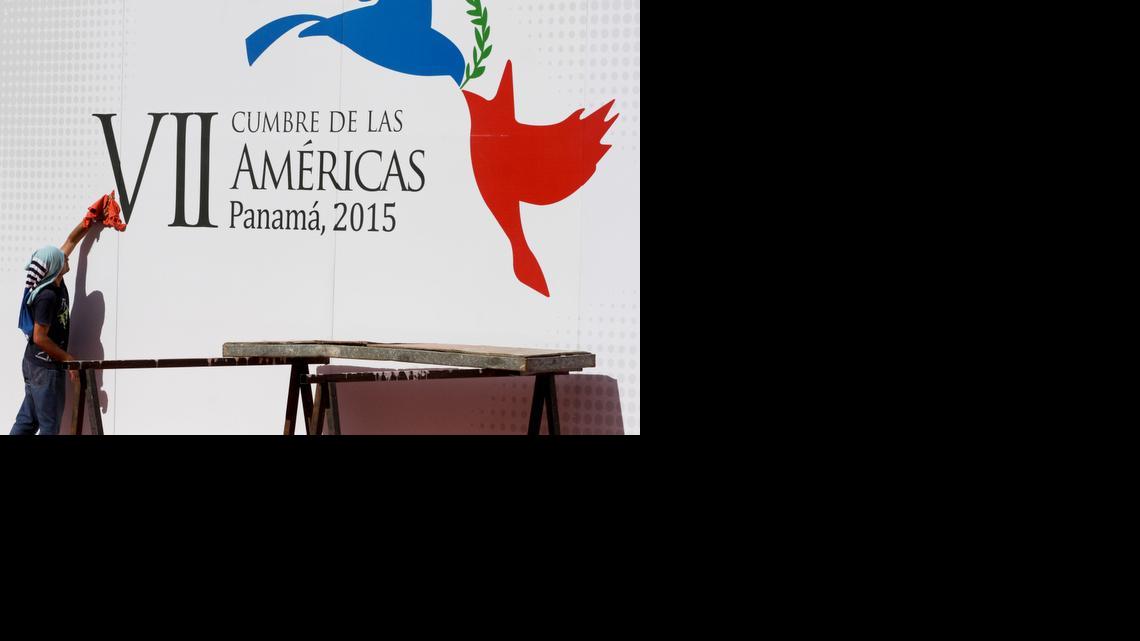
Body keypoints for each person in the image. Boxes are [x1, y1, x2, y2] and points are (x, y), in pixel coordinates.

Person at [10, 214, 97, 435]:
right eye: (63, 259)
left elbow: (70, 241)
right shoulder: (47, 296)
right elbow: (40, 337)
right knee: (49, 427)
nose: (66, 258)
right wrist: (68, 358)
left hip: (34, 365)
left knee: (28, 421)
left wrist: (90, 218)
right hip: (45, 369)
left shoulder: (53, 276)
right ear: (56, 267)